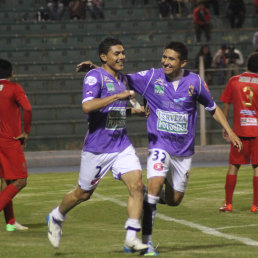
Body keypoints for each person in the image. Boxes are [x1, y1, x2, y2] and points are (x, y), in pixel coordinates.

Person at [78, 41, 242, 256]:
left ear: (182, 62)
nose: (165, 62)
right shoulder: (151, 78)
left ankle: (151, 197)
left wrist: (229, 130)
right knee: (153, 188)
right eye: (164, 57)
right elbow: (120, 79)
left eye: (171, 59)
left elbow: (212, 107)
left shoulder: (195, 82)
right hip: (159, 144)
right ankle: (146, 243)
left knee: (174, 200)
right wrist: (96, 70)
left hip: (182, 151)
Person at [47, 38, 148, 253]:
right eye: (116, 53)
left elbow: (114, 111)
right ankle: (56, 216)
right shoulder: (93, 77)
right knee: (83, 194)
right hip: (97, 147)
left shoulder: (122, 79)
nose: (122, 57)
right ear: (104, 57)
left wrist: (135, 111)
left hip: (121, 144)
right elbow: (87, 106)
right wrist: (117, 96)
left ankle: (131, 237)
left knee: (137, 185)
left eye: (123, 53)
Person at [219, 52, 258, 213]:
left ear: (247, 64)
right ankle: (256, 205)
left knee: (233, 166)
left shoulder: (234, 81)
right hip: (257, 131)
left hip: (238, 132)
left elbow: (226, 104)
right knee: (257, 167)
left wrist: (225, 126)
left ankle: (228, 203)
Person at [0, 59, 32, 231]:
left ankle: (10, 222)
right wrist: (26, 131)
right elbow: (27, 109)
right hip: (9, 141)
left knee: (6, 179)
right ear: (11, 73)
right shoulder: (14, 88)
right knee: (20, 180)